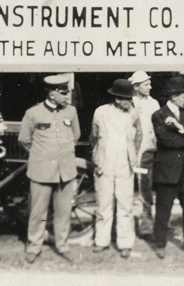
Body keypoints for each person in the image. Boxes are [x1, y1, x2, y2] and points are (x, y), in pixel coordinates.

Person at [19, 74, 82, 264]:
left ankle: (62, 246)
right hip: (42, 172)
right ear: (52, 94)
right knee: (38, 212)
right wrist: (42, 156)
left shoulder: (70, 112)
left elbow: (76, 135)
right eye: (63, 94)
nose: (66, 97)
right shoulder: (33, 113)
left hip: (66, 171)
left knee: (63, 212)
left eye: (67, 93)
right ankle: (34, 246)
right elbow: (24, 140)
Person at [151, 75, 184, 258]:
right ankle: (160, 244)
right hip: (167, 171)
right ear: (173, 97)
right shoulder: (158, 115)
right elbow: (166, 141)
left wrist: (180, 128)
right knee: (163, 210)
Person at [90, 79, 143, 258]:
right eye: (127, 98)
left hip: (125, 165)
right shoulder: (101, 113)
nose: (130, 101)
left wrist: (132, 157)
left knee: (125, 205)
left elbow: (139, 136)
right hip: (104, 164)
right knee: (104, 204)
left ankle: (125, 243)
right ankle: (101, 240)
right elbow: (93, 137)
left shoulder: (133, 114)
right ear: (117, 99)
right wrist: (97, 158)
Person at [129, 71, 160, 238]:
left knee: (147, 188)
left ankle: (147, 227)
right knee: (134, 188)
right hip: (134, 152)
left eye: (150, 83)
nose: (150, 87)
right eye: (146, 84)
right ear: (136, 86)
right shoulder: (129, 103)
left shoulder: (154, 103)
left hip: (151, 150)